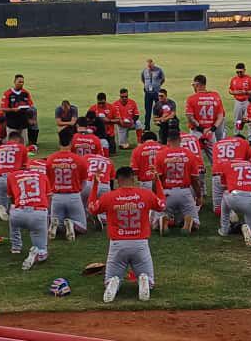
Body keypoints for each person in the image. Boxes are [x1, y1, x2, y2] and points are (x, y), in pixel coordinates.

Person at [89, 167, 165, 303]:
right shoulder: (145, 194)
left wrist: (95, 184)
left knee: (108, 281)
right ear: (134, 179)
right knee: (150, 283)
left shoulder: (109, 196)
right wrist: (157, 181)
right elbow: (162, 205)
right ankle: (143, 280)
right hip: (140, 243)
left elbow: (92, 208)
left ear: (118, 181)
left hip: (117, 244)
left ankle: (114, 281)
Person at [46, 128, 89, 241]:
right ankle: (72, 224)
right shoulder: (79, 160)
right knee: (82, 226)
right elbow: (84, 181)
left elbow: (48, 180)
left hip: (56, 196)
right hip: (73, 195)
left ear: (59, 141)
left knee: (58, 222)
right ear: (71, 142)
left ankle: (56, 224)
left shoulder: (50, 159)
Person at [6, 165, 51, 270]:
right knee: (42, 249)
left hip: (18, 213)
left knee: (13, 215)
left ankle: (16, 247)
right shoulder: (42, 176)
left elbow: (10, 197)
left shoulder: (12, 176)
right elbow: (48, 196)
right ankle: (37, 253)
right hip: (38, 213)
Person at [155, 132, 202, 234]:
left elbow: (157, 179)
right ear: (180, 141)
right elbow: (195, 179)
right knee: (196, 223)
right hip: (184, 192)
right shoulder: (189, 154)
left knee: (155, 223)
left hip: (167, 192)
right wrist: (199, 196)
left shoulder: (160, 155)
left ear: (168, 142)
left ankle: (164, 221)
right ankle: (188, 222)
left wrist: (157, 196)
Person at [217, 160, 251, 247]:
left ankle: (224, 229)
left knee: (225, 195)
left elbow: (223, 185)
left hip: (235, 197)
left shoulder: (227, 165)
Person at [186, 75, 226, 162]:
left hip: (196, 132)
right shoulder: (215, 96)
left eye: (193, 85)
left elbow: (190, 116)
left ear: (197, 85)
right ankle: (217, 175)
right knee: (216, 161)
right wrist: (212, 128)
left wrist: (201, 128)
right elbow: (221, 116)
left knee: (195, 161)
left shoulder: (191, 99)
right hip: (210, 132)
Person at [209, 135, 250, 217]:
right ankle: (232, 210)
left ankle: (225, 210)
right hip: (234, 175)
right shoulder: (244, 142)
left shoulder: (217, 143)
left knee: (217, 208)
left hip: (218, 174)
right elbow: (247, 162)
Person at [0, 132, 28, 220]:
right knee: (18, 203)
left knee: (1, 205)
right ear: (18, 139)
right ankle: (13, 209)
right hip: (13, 178)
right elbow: (25, 167)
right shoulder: (21, 147)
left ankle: (1, 208)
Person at [0, 75, 35, 145]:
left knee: (24, 142)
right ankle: (1, 142)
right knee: (11, 142)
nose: (21, 84)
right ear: (14, 82)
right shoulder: (8, 93)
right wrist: (13, 110)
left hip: (23, 122)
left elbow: (31, 106)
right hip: (12, 122)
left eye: (22, 82)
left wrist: (31, 118)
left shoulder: (26, 93)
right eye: (19, 82)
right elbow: (2, 108)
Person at [228, 63, 251, 134]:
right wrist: (234, 93)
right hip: (238, 101)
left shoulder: (249, 79)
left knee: (249, 119)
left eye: (240, 72)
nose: (239, 73)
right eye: (237, 72)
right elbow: (230, 90)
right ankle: (237, 134)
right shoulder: (234, 79)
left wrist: (246, 92)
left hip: (247, 101)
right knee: (238, 119)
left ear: (244, 70)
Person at [141, 59, 165, 131]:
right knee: (147, 110)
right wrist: (146, 86)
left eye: (151, 65)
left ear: (153, 64)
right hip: (148, 93)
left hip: (156, 93)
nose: (150, 67)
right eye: (148, 66)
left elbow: (163, 79)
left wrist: (157, 86)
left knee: (159, 109)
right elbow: (143, 79)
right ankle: (147, 126)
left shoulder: (159, 70)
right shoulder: (144, 71)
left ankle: (161, 124)